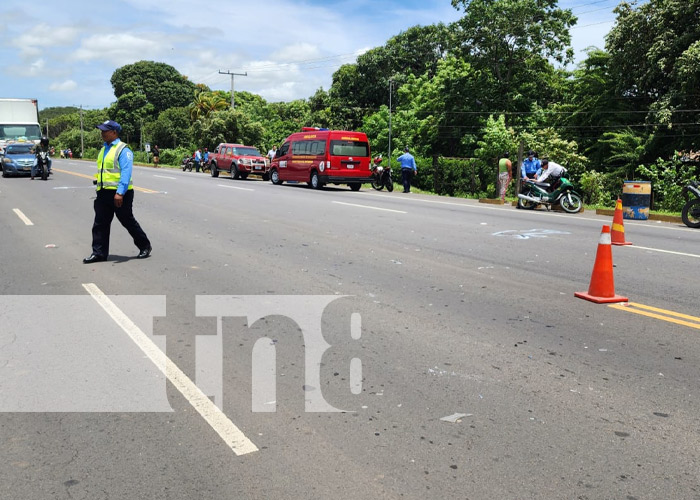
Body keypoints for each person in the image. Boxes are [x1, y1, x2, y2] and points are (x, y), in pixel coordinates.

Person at [83, 120, 152, 263]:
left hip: (120, 194)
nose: (102, 133)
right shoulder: (104, 149)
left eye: (105, 131)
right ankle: (99, 253)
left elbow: (126, 173)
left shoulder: (123, 149)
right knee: (100, 223)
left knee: (127, 221)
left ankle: (145, 245)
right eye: (101, 130)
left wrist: (120, 193)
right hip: (103, 192)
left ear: (114, 132)